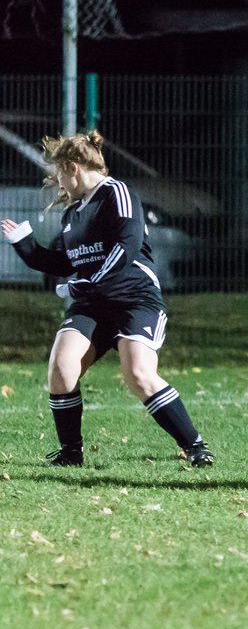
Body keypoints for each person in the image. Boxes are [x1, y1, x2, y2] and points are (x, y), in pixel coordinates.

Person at [1, 131, 213, 468]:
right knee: (61, 367)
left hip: (134, 298)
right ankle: (71, 453)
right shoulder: (73, 214)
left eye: (58, 175)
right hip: (92, 302)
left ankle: (195, 445)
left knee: (139, 373)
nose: (57, 184)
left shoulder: (117, 192)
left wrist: (88, 282)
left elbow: (126, 248)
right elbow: (65, 264)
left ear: (72, 167)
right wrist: (24, 243)